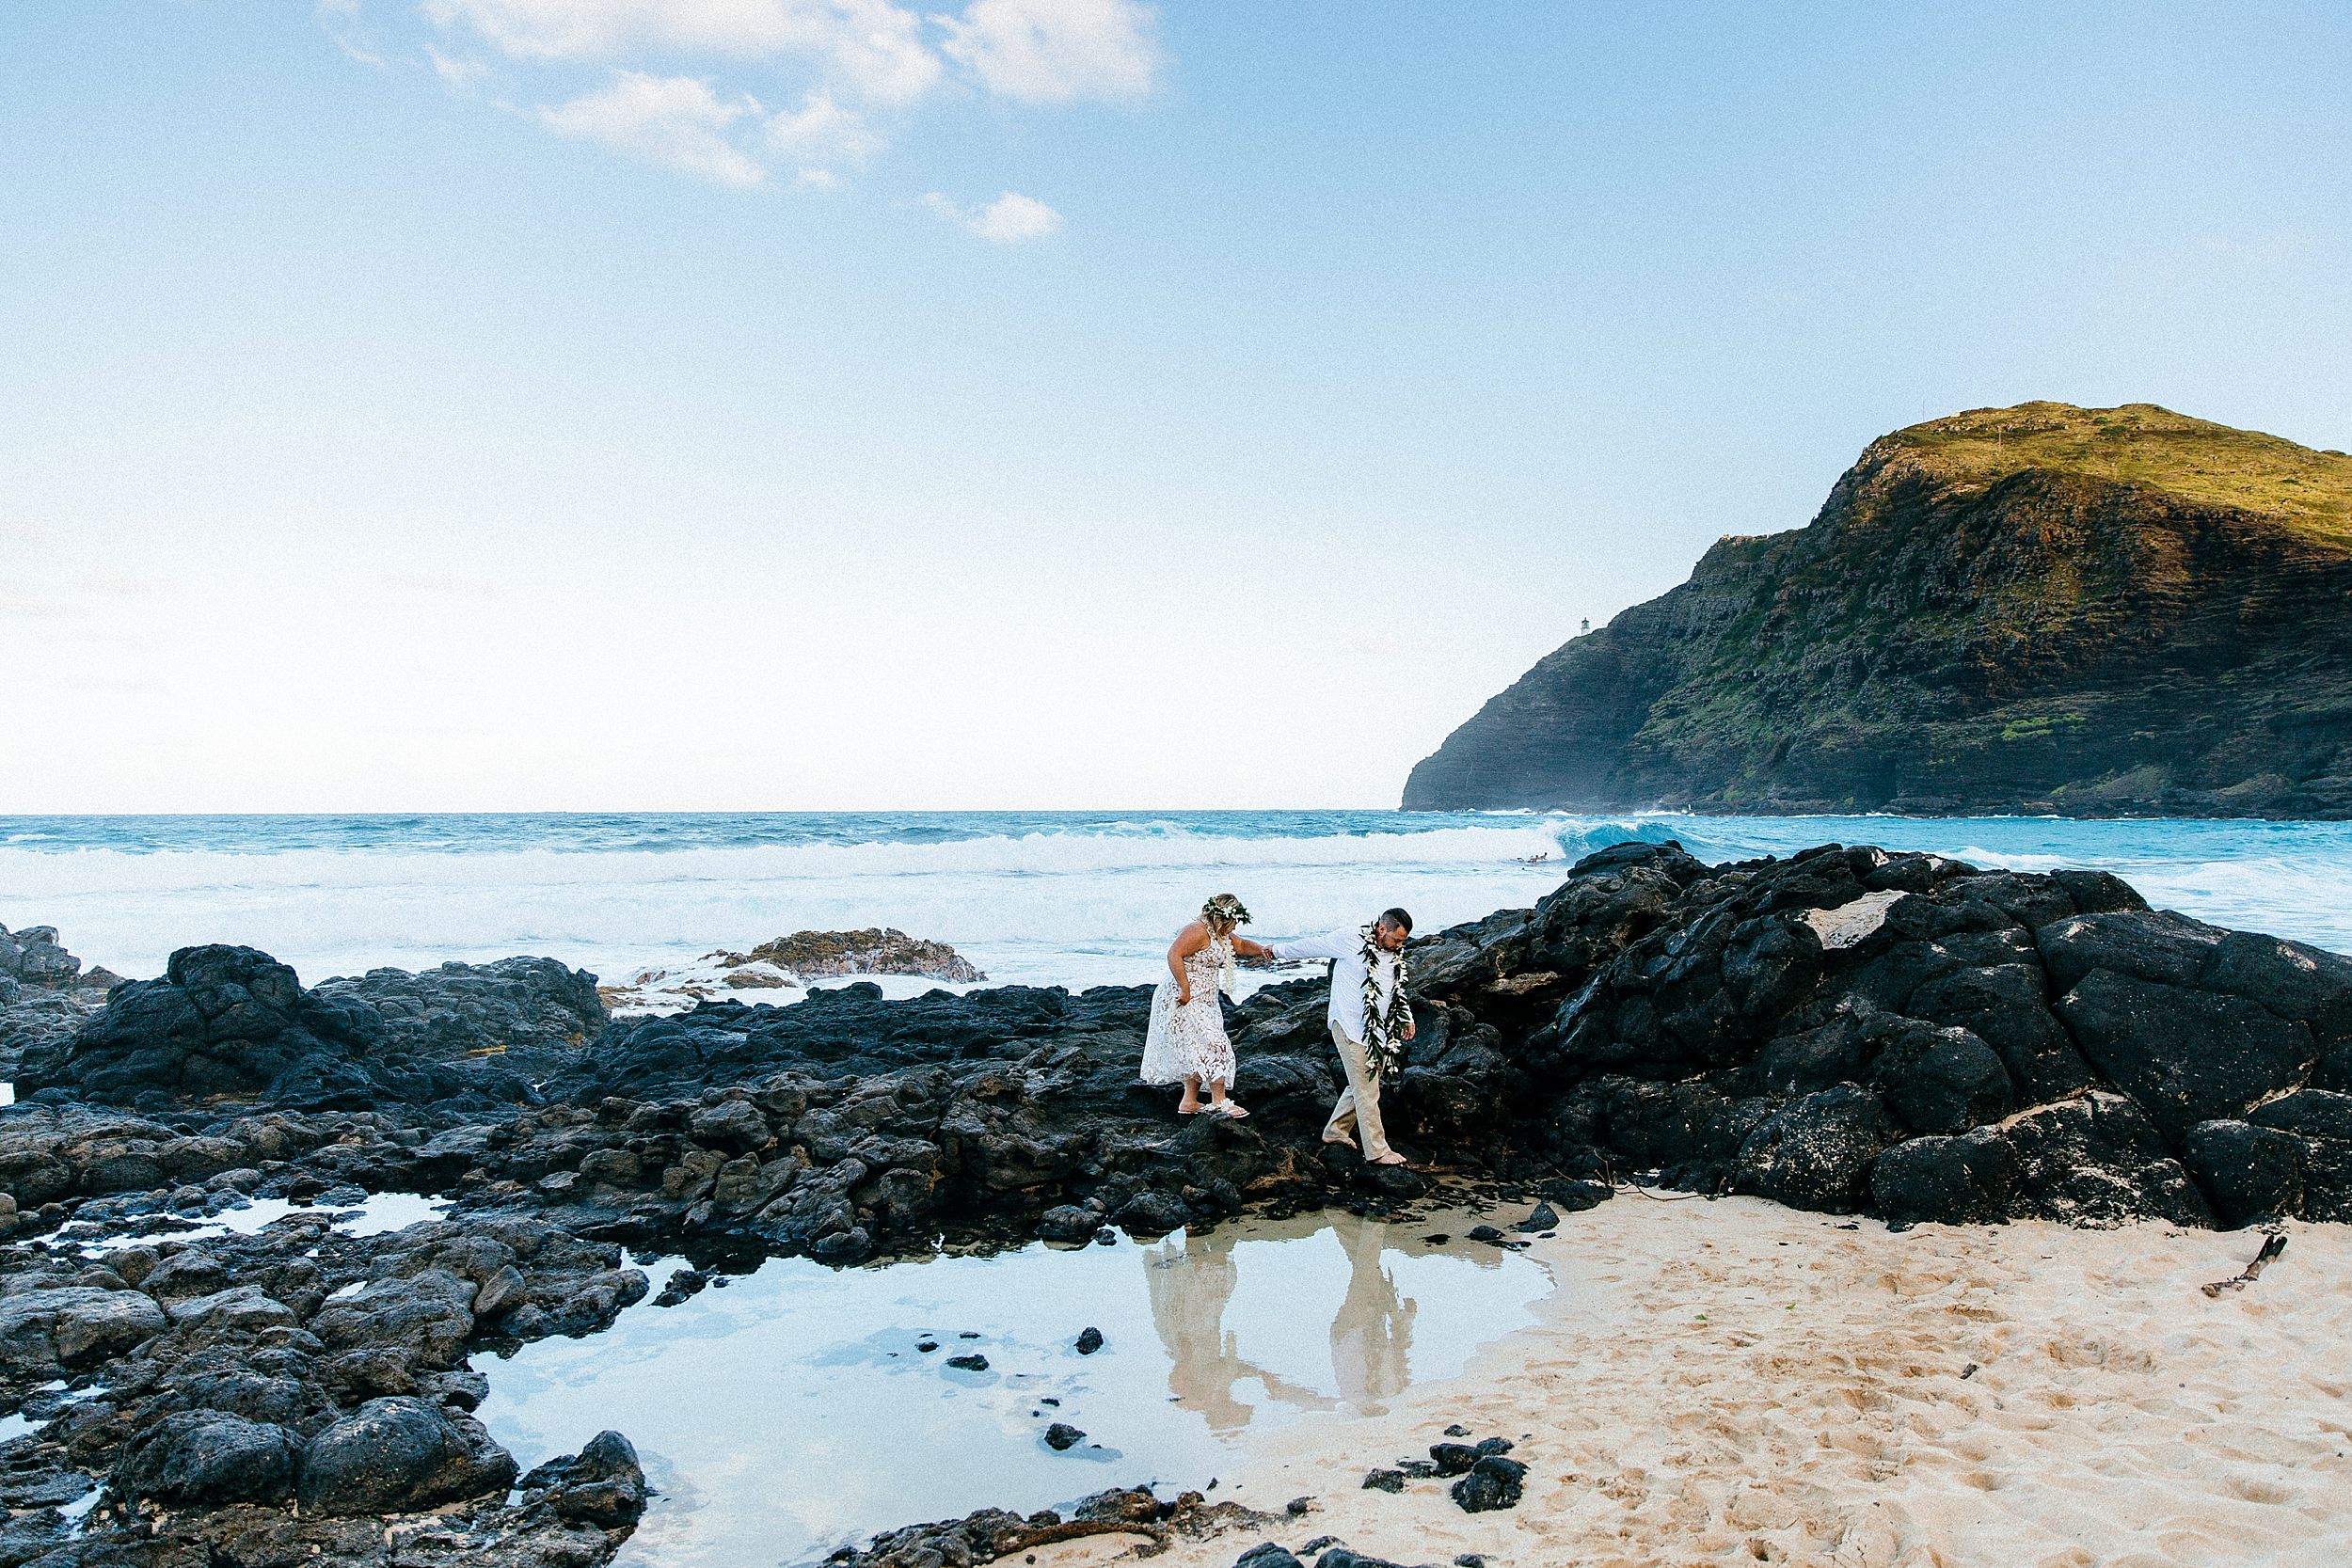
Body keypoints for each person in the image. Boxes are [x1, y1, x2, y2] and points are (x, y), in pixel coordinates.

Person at [1264, 908, 1416, 1165]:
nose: (1400, 945)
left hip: (1376, 1030)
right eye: (1398, 939)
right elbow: (1313, 946)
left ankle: (1335, 1131)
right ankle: (1378, 1151)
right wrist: (1276, 951)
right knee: (1367, 1089)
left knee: (1363, 1085)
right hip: (1348, 1025)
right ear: (1382, 929)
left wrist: (1406, 1016)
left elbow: (1394, 990)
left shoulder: (1393, 955)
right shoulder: (1350, 939)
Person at [1141, 893, 1278, 1117]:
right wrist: (1185, 988)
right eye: (1234, 920)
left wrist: (1263, 950)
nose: (1235, 925)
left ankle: (1189, 1102)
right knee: (1216, 1045)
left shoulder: (1221, 935)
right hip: (1184, 996)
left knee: (1196, 1046)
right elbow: (1174, 954)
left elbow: (1241, 945)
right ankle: (1219, 1101)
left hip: (1207, 1000)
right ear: (1223, 916)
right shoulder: (1197, 931)